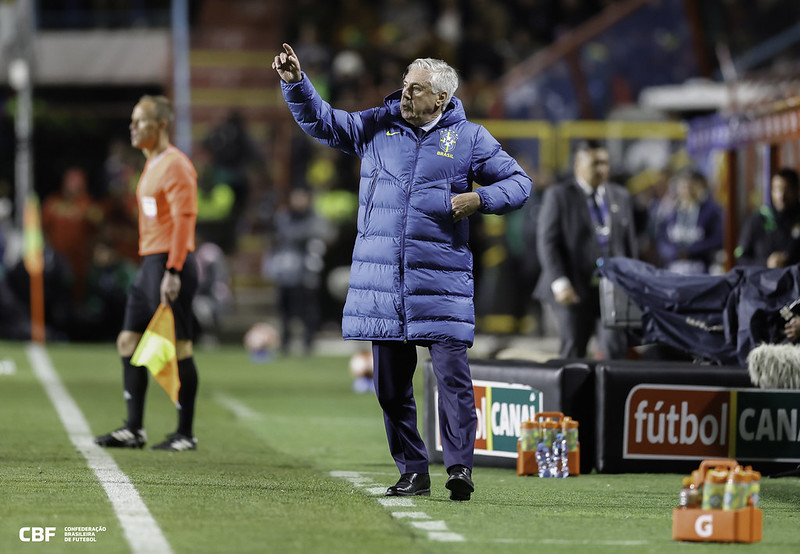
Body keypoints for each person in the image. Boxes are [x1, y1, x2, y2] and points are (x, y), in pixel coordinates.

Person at [273, 43, 531, 500]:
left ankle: (459, 469)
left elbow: (519, 182)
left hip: (441, 283)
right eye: (406, 85)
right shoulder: (378, 124)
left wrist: (481, 198)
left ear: (442, 98)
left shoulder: (470, 138)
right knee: (390, 390)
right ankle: (414, 470)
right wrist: (296, 83)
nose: (405, 94)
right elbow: (323, 121)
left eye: (416, 89)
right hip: (384, 286)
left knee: (453, 382)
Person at [94, 95, 201, 452]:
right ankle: (134, 429)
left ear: (161, 125)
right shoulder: (151, 164)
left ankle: (185, 434)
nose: (133, 127)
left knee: (179, 348)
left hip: (170, 264)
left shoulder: (176, 165)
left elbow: (185, 220)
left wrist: (173, 270)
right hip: (149, 265)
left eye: (140, 121)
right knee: (128, 342)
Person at [534, 140, 637, 359]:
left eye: (605, 163)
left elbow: (628, 244)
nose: (602, 169)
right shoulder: (560, 195)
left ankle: (607, 384)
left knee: (615, 349)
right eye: (595, 163)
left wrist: (632, 280)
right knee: (573, 348)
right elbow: (547, 241)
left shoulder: (620, 195)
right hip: (572, 287)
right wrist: (560, 282)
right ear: (578, 166)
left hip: (611, 287)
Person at [267, 187, 332, 355]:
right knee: (285, 309)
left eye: (301, 197)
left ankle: (308, 342)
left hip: (306, 271)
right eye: (295, 197)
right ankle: (285, 342)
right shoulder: (284, 217)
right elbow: (277, 238)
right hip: (286, 270)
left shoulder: (315, 218)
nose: (298, 201)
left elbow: (325, 235)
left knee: (308, 309)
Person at [655, 169, 723, 275]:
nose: (687, 190)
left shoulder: (711, 211)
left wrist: (691, 252)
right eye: (684, 186)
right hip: (673, 269)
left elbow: (717, 239)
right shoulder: (669, 212)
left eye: (692, 186)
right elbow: (661, 240)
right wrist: (674, 252)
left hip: (700, 269)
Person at [736, 168, 800, 268]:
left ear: (796, 190)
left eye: (787, 190)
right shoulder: (757, 219)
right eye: (777, 189)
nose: (781, 196)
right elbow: (740, 257)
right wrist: (766, 263)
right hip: (762, 277)